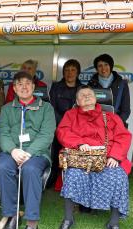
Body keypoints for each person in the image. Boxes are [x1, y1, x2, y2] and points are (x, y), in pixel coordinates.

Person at [56, 85, 132, 229]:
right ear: (77, 101)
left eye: (89, 94)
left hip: (107, 158)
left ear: (96, 98)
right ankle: (69, 219)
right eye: (82, 95)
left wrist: (115, 156)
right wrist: (79, 143)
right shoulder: (70, 115)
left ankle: (113, 223)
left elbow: (123, 136)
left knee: (119, 177)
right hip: (81, 158)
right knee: (72, 175)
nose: (87, 96)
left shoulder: (111, 116)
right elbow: (62, 132)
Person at [0, 71, 56, 229]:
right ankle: (11, 216)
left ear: (34, 87)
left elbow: (47, 135)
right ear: (14, 88)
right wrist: (13, 150)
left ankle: (31, 223)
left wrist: (28, 152)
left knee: (30, 169)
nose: (24, 87)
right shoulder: (7, 109)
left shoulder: (46, 108)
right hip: (11, 151)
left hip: (36, 154)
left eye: (27, 83)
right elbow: (2, 133)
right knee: (2, 167)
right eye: (19, 84)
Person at [49, 59, 82, 189]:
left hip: (77, 127)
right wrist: (63, 124)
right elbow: (51, 108)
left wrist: (73, 126)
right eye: (67, 70)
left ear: (78, 72)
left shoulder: (83, 88)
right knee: (55, 150)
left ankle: (71, 181)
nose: (70, 73)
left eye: (73, 70)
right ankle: (54, 177)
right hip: (59, 124)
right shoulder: (56, 87)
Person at [88, 54, 130, 127]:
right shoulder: (90, 85)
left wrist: (114, 123)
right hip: (95, 127)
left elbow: (126, 111)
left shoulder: (122, 84)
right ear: (96, 69)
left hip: (114, 126)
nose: (103, 69)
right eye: (100, 66)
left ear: (111, 66)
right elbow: (87, 108)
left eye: (106, 65)